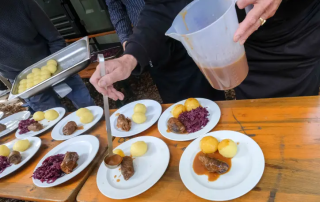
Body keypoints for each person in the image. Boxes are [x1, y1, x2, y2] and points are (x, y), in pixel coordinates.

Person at [92, 0, 320, 101]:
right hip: (239, 38)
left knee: (293, 125)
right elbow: (163, 4)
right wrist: (130, 57)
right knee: (256, 122)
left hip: (293, 37)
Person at [91, 1, 226, 103]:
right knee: (176, 104)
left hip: (188, 32)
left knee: (210, 95)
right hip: (148, 44)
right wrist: (128, 48)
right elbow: (115, 6)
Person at [0, 0, 95, 111]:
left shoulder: (21, 3)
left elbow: (55, 39)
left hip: (55, 64)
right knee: (50, 118)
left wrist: (55, 70)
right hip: (22, 81)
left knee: (87, 107)